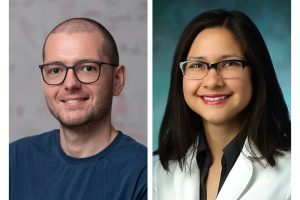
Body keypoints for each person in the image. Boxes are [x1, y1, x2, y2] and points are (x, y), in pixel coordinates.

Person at [153, 9, 290, 200]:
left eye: (229, 64)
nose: (212, 81)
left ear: (257, 73)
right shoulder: (157, 172)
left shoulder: (292, 171)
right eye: (197, 65)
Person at [10, 18, 147, 200]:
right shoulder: (13, 160)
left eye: (87, 68)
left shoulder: (144, 173)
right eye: (55, 70)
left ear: (117, 80)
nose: (70, 84)